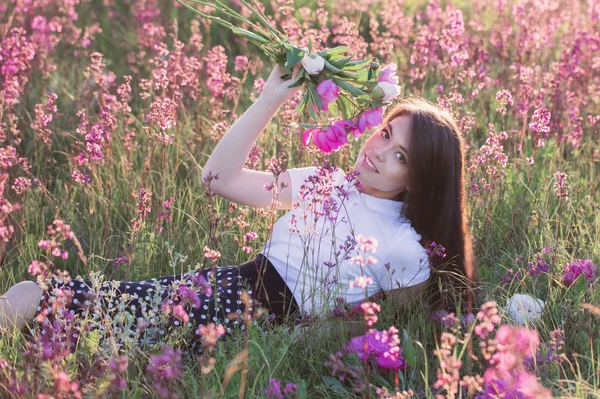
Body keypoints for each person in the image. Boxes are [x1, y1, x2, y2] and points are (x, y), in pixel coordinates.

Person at [0, 63, 476, 349]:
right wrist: (271, 98)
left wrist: (278, 341)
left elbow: (373, 324)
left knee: (44, 307)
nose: (378, 150)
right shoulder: (324, 181)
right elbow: (218, 179)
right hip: (219, 287)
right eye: (385, 132)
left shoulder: (405, 249)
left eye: (400, 156)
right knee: (35, 298)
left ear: (420, 180)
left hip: (252, 322)